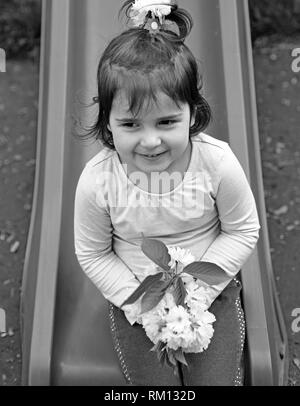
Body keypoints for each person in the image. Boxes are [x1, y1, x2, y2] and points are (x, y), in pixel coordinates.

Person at [74, 0, 260, 386]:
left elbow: (241, 230)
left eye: (167, 121)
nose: (151, 140)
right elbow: (93, 252)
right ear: (107, 122)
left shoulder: (216, 164)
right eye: (130, 124)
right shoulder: (98, 181)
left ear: (193, 113)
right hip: (138, 294)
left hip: (210, 288)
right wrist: (143, 307)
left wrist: (198, 295)